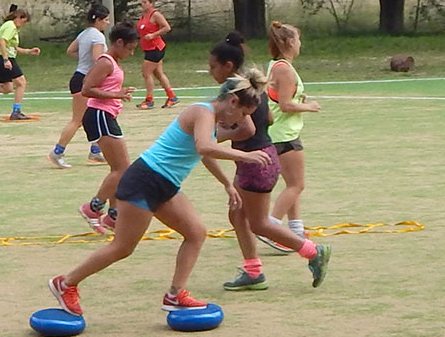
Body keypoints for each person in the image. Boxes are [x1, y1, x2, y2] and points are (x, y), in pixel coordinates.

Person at [49, 75, 273, 316]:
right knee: (122, 247)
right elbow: (204, 147)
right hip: (145, 180)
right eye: (243, 114)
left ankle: (175, 295)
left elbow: (204, 153)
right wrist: (246, 156)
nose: (241, 120)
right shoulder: (202, 112)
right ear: (233, 102)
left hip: (165, 184)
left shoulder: (210, 119)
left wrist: (227, 184)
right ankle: (66, 283)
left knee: (196, 233)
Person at [207, 32, 331, 291]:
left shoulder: (233, 89)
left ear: (228, 65)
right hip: (261, 157)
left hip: (256, 162)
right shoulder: (253, 84)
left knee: (259, 223)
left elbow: (248, 129)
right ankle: (253, 271)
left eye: (213, 67)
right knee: (237, 214)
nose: (210, 72)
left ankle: (312, 251)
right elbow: (270, 120)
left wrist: (214, 136)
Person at [257, 21, 322, 253]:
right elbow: (285, 105)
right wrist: (309, 107)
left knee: (292, 184)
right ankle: (272, 227)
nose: (300, 44)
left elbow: (279, 98)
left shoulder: (276, 66)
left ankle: (296, 230)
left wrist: (298, 100)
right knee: (297, 185)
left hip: (280, 133)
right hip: (284, 135)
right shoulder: (284, 69)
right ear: (290, 42)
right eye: (299, 39)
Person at [76, 21, 138, 234]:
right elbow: (86, 89)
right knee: (123, 169)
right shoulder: (106, 62)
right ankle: (93, 208)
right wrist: (116, 94)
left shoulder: (112, 62)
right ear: (119, 43)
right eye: (130, 48)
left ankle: (113, 216)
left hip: (106, 115)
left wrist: (118, 92)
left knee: (119, 169)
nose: (131, 53)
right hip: (99, 115)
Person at [49, 2, 110, 169]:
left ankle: (96, 151)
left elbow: (70, 50)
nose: (108, 23)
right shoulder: (97, 36)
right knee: (77, 120)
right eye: (106, 19)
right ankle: (57, 152)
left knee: (93, 117)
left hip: (80, 77)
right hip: (85, 79)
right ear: (98, 20)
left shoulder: (84, 34)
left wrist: (84, 58)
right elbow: (98, 60)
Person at [135, 0, 179, 110]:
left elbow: (167, 27)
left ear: (151, 3)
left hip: (155, 48)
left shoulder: (155, 14)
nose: (142, 4)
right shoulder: (143, 15)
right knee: (158, 73)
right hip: (148, 48)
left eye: (145, 2)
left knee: (146, 73)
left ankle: (149, 100)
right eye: (142, 2)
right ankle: (172, 96)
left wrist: (153, 35)